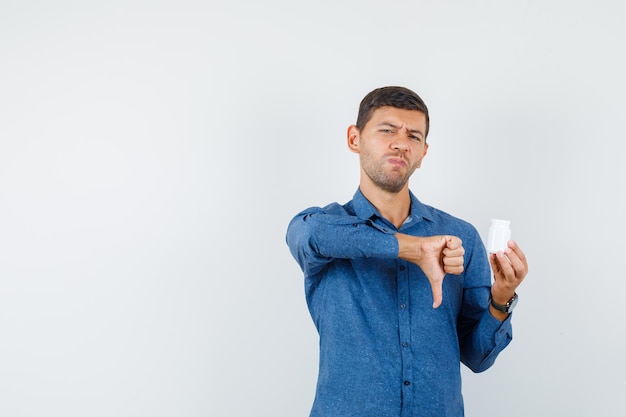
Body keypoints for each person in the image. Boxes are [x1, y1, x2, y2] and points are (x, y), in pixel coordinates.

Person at [285, 86, 529, 417]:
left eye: (413, 136)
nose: (401, 143)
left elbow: (477, 357)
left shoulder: (460, 237)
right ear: (354, 139)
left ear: (423, 153)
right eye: (387, 130)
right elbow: (308, 233)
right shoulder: (325, 228)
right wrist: (413, 249)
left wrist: (501, 298)